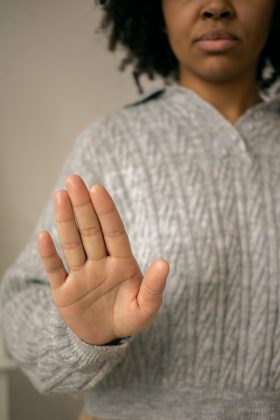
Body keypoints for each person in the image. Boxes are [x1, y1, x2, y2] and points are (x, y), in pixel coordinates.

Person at [1, 0, 280, 419]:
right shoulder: (112, 142)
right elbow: (19, 302)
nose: (216, 7)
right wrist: (82, 335)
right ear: (155, 11)